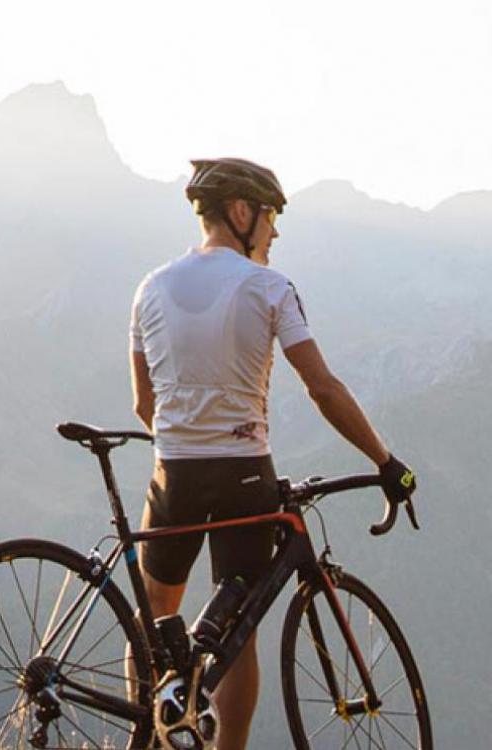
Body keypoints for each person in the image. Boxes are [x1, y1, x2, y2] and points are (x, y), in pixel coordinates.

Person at [127, 157, 417, 749]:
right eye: (271, 216)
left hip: (174, 470)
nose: (275, 232)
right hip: (242, 475)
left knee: (153, 619)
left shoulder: (150, 288)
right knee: (241, 629)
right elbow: (323, 388)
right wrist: (385, 461)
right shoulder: (268, 287)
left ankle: (151, 734)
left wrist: (188, 434)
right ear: (241, 213)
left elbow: (143, 404)